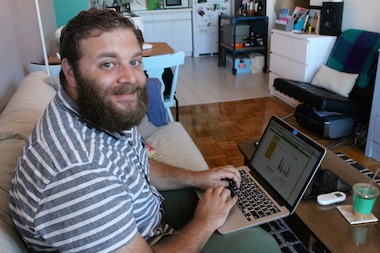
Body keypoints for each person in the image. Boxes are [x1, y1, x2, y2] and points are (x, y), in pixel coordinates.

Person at [9, 9, 280, 253]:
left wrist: (197, 177)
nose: (130, 78)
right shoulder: (77, 174)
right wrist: (204, 221)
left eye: (135, 61)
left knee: (232, 200)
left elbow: (134, 163)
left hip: (140, 222)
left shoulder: (98, 110)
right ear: (70, 71)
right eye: (108, 63)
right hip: (143, 241)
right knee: (262, 245)